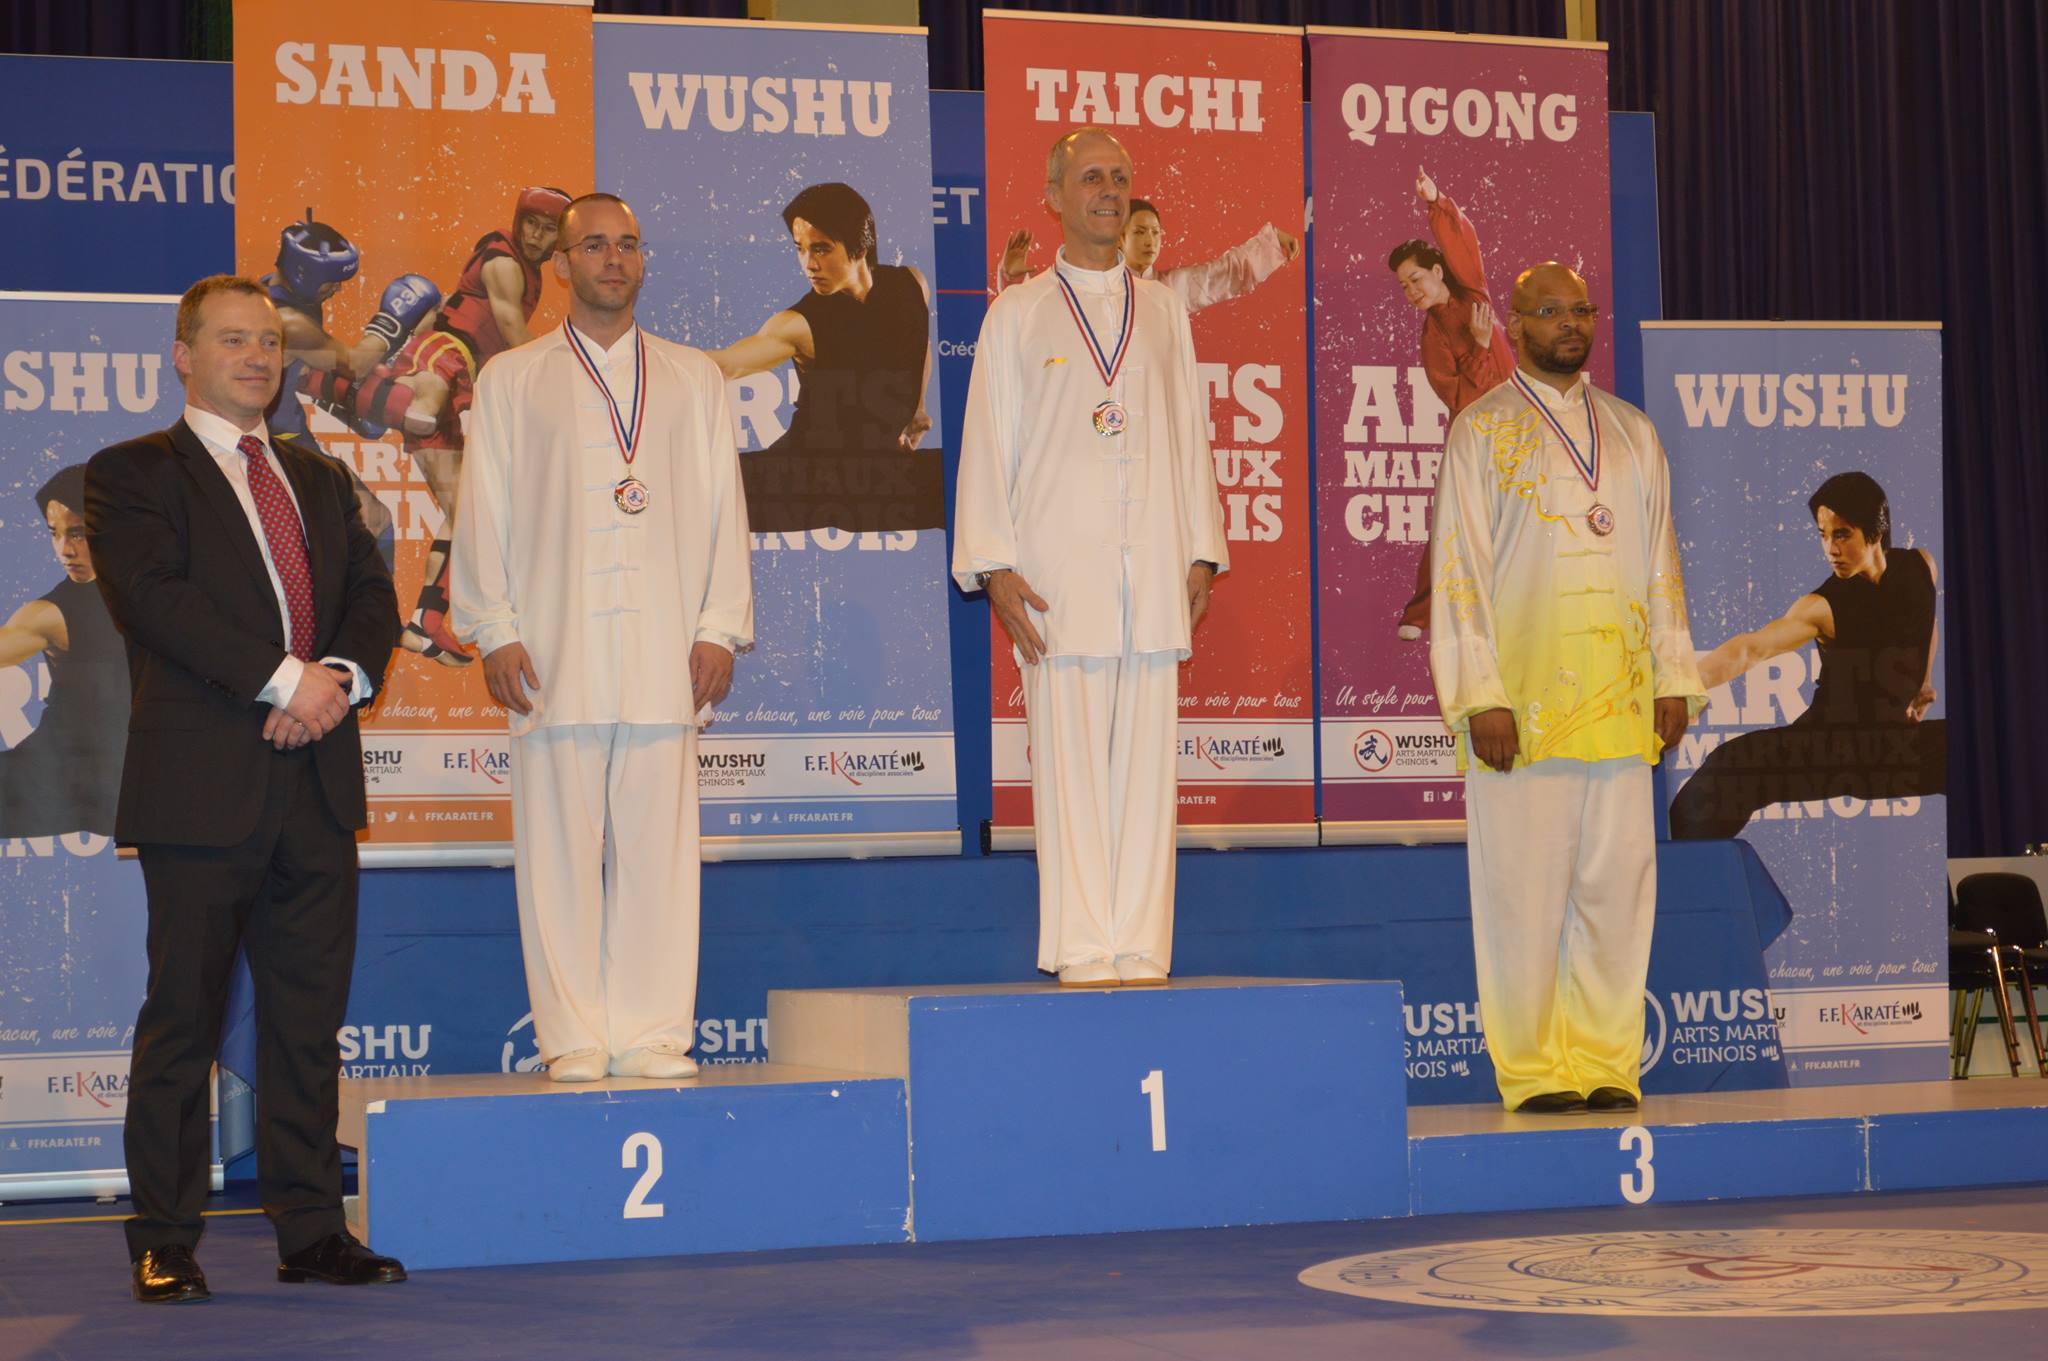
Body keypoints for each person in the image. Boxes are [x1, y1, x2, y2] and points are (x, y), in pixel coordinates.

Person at [84, 276, 404, 1302]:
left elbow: (368, 591)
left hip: (313, 779)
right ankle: (165, 1237)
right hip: (201, 786)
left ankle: (312, 1229)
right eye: (234, 340)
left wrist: (339, 683)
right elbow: (155, 601)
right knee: (182, 1014)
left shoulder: (315, 472)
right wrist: (285, 679)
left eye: (269, 341)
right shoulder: (132, 473)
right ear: (183, 354)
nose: (258, 358)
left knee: (308, 1020)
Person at [449, 192, 752, 1083]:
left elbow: (723, 512)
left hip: (666, 645)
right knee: (557, 854)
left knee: (660, 853)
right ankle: (573, 1034)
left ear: (643, 260)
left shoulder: (696, 376)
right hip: (551, 648)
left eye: (626, 244)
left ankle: (656, 1030)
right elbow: (486, 512)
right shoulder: (513, 377)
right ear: (564, 262)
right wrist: (493, 627)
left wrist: (720, 628)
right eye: (594, 245)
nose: (612, 259)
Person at [1427, 262, 1705, 1114]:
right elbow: (1459, 574)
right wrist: (1482, 696)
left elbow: (1661, 563)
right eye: (1549, 311)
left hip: (1622, 707)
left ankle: (1605, 1059)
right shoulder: (1481, 431)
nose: (1569, 324)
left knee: (1614, 894)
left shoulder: (1632, 433)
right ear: (1514, 320)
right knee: (1523, 895)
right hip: (1526, 709)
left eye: (1580, 309)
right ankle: (1535, 1068)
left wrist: (1671, 676)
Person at [954, 128, 1228, 988]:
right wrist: (993, 566)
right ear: (1055, 195)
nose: (1109, 190)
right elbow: (986, 444)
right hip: (1055, 578)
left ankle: (1140, 945)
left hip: (1150, 570)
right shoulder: (1018, 312)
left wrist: (1201, 552)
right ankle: (1082, 947)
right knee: (1070, 770)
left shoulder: (1165, 311)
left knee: (1148, 770)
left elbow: (1192, 433)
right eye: (1092, 177)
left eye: (1120, 177)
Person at [310, 187, 571, 666]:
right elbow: (513, 333)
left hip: (465, 382)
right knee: (422, 405)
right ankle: (319, 379)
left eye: (548, 227)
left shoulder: (530, 271)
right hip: (443, 356)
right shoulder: (504, 262)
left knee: (469, 510)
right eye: (530, 222)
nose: (536, 233)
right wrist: (574, 378)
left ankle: (425, 623)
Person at [1670, 470, 1944, 839]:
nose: (1830, 549)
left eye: (1842, 534)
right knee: (1730, 767)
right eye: (1824, 535)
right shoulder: (1822, 606)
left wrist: (1924, 683)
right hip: (1831, 749)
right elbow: (1751, 649)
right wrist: (1676, 686)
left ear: (1876, 533)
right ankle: (1676, 875)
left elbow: (1927, 619)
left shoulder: (1921, 566)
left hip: (1892, 750)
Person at [708, 181, 939, 532]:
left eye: (821, 249)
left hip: (879, 477)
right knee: (697, 488)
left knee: (965, 480)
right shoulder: (798, 324)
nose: (808, 264)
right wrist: (644, 359)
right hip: (807, 477)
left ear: (860, 248)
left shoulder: (911, 283)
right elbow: (725, 364)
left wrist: (917, 410)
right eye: (800, 249)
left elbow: (919, 342)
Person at [262, 214, 439, 569]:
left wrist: (347, 407)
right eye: (332, 282)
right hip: (276, 444)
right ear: (304, 274)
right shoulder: (291, 323)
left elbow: (297, 374)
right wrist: (395, 317)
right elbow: (354, 363)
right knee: (373, 520)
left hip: (282, 436)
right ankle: (374, 621)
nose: (338, 289)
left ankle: (359, 617)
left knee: (362, 524)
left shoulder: (269, 292)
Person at [1392, 167, 1517, 640]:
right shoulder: (1432, 339)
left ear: (1438, 272)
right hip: (1476, 440)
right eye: (1404, 286)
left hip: (1522, 432)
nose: (1412, 291)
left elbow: (1465, 242)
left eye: (1416, 278)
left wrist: (1436, 199)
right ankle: (1419, 614)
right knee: (1452, 521)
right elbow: (1465, 401)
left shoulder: (1472, 292)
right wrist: (1482, 348)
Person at [0, 465, 126, 836]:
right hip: (62, 781)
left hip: (133, 786)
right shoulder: (51, 614)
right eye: (54, 534)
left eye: (78, 533)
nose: (64, 550)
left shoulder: (152, 593)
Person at [995, 198, 1300, 315]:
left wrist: (1272, 244)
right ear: (1120, 237)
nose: (1149, 241)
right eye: (1140, 232)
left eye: (1155, 233)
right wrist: (1012, 280)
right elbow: (1041, 312)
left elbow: (1225, 275)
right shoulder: (1089, 284)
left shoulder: (1171, 288)